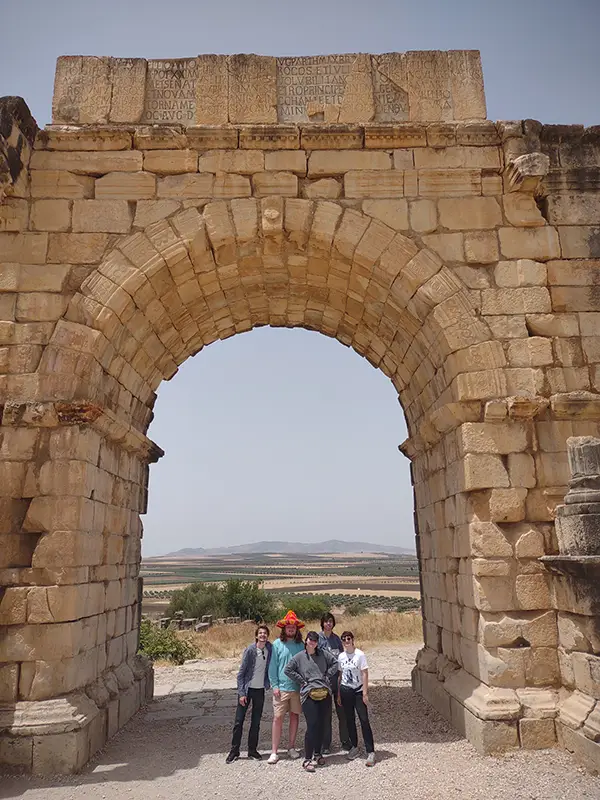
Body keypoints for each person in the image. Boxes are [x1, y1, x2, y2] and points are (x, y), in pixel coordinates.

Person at [284, 630, 338, 773]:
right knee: (312, 725)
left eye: (315, 640)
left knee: (321, 725)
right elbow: (288, 670)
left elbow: (335, 663)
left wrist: (326, 676)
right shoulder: (299, 657)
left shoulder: (323, 654)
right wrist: (301, 681)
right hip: (308, 694)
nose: (312, 642)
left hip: (324, 692)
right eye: (310, 640)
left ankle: (318, 754)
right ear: (306, 641)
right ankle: (307, 758)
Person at [226, 624, 273, 763]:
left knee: (256, 722)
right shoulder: (250, 650)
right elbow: (241, 674)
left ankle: (252, 749)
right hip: (247, 690)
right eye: (260, 633)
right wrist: (241, 693)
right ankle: (234, 751)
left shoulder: (269, 649)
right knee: (239, 721)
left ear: (267, 636)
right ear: (256, 635)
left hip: (260, 690)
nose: (263, 635)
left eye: (265, 633)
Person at [267, 610, 305, 764]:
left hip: (296, 688)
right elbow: (272, 666)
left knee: (295, 716)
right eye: (288, 627)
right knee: (277, 718)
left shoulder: (301, 645)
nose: (291, 629)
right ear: (284, 629)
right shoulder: (276, 644)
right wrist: (274, 685)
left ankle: (291, 747)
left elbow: (304, 666)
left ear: (296, 629)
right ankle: (274, 751)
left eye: (293, 627)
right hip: (281, 688)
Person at [337, 630, 376, 767]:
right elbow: (340, 675)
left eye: (349, 638)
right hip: (345, 689)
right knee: (349, 719)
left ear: (352, 640)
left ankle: (370, 750)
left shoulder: (360, 655)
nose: (346, 641)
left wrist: (365, 693)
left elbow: (364, 673)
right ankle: (354, 746)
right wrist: (338, 694)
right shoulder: (341, 657)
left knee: (364, 719)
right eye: (344, 639)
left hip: (358, 690)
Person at [318, 612, 351, 753]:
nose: (328, 624)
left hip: (337, 680)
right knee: (325, 714)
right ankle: (325, 743)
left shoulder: (337, 639)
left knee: (342, 711)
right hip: (323, 681)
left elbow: (342, 658)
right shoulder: (318, 639)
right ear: (322, 623)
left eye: (330, 621)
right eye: (326, 621)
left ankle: (345, 740)